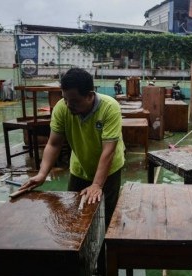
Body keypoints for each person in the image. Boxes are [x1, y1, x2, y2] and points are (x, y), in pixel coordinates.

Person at [20, 68, 125, 274]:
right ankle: (78, 264)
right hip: (79, 169)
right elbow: (53, 143)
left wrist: (96, 184)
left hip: (109, 171)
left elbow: (108, 150)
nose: (68, 105)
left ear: (90, 95)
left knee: (105, 219)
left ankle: (103, 265)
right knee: (72, 217)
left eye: (74, 101)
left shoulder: (109, 108)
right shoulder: (62, 107)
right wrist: (42, 174)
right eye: (65, 99)